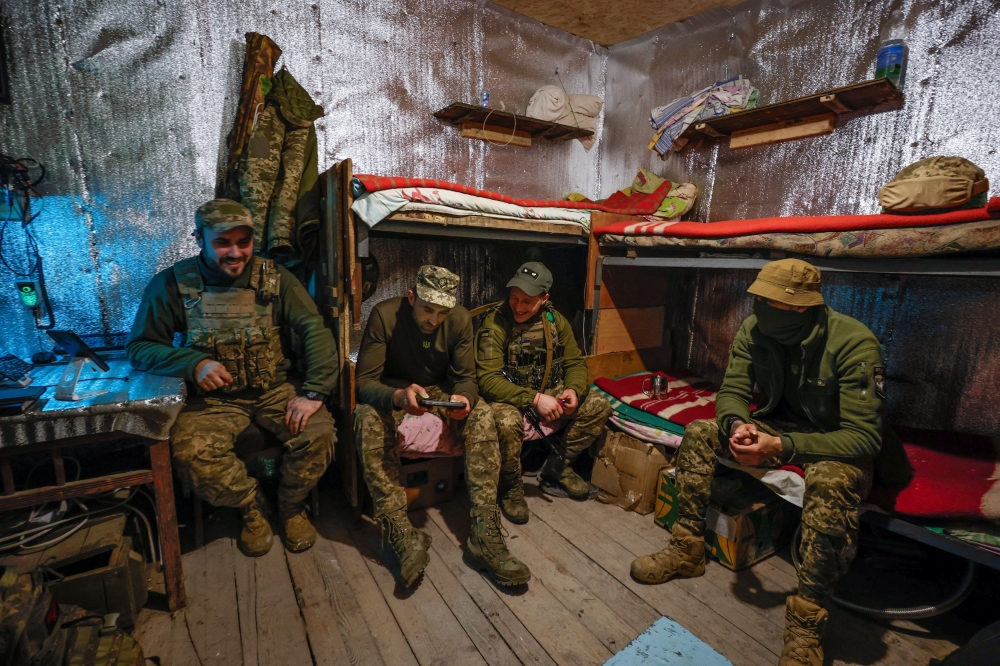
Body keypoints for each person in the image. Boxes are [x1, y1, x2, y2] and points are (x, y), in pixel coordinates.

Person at [629, 259, 911, 666]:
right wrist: (738, 423)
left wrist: (781, 446)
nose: (755, 306)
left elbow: (864, 437)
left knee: (832, 485)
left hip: (832, 440)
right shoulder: (755, 329)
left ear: (799, 307)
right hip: (778, 421)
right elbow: (733, 391)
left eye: (766, 301)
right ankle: (686, 548)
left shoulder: (853, 343)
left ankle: (806, 623)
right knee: (700, 433)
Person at [127, 199, 337, 557]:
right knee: (191, 453)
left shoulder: (275, 279)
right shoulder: (173, 284)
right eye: (223, 242)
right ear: (199, 239)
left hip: (274, 390)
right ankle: (251, 508)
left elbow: (314, 329)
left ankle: (291, 506)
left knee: (318, 437)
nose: (236, 252)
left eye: (244, 241)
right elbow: (141, 347)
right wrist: (192, 363)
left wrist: (315, 392)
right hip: (213, 402)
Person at [354, 265, 530, 589]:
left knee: (482, 415)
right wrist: (397, 396)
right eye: (427, 309)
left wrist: (464, 399)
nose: (434, 320)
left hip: (437, 388)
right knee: (365, 419)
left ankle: (483, 536)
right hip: (394, 387)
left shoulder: (460, 319)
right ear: (411, 297)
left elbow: (466, 377)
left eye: (442, 312)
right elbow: (364, 383)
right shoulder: (384, 315)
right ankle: (402, 536)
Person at [476, 261, 611, 523]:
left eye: (527, 301)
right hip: (510, 395)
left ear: (544, 298)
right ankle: (511, 486)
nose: (518, 306)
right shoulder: (495, 322)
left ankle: (557, 468)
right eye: (514, 298)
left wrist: (572, 389)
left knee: (597, 406)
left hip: (548, 390)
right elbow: (488, 380)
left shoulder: (554, 320)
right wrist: (535, 399)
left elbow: (574, 363)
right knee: (505, 421)